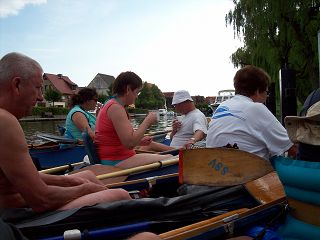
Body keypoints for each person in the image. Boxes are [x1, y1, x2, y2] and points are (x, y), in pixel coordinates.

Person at [0, 52, 131, 213]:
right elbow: (42, 199)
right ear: (17, 85)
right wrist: (85, 190)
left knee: (89, 176)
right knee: (120, 195)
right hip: (15, 217)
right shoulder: (4, 121)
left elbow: (29, 177)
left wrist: (72, 183)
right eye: (38, 88)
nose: (41, 97)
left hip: (20, 203)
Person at [206, 65, 294, 160]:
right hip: (246, 171)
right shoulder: (257, 108)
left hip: (215, 167)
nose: (266, 97)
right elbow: (291, 147)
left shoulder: (222, 106)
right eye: (266, 92)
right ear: (257, 91)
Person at [95, 71, 172, 168]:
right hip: (117, 161)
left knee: (155, 150)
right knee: (170, 158)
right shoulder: (116, 108)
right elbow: (130, 144)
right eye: (136, 92)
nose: (137, 96)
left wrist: (139, 141)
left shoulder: (110, 104)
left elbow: (120, 139)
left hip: (115, 157)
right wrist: (147, 121)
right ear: (128, 89)